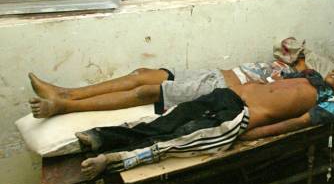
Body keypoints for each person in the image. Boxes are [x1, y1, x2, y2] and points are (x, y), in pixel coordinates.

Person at [78, 64, 334, 179]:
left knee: (178, 139)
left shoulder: (330, 105)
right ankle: (102, 137)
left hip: (238, 117)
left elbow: (298, 123)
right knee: (169, 120)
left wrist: (255, 134)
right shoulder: (310, 75)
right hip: (225, 95)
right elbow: (275, 79)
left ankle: (112, 159)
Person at [28, 59, 309, 118]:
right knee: (141, 74)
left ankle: (65, 105)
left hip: (221, 87)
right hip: (210, 72)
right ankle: (67, 92)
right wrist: (293, 60)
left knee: (146, 92)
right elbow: (287, 46)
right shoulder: (284, 65)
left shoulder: (296, 87)